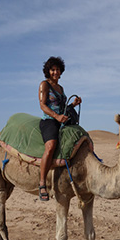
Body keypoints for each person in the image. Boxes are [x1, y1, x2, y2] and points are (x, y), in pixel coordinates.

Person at [38, 56, 82, 201]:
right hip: (49, 121)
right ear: (48, 71)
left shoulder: (61, 88)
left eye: (57, 69)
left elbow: (63, 108)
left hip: (62, 121)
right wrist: (56, 117)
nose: (55, 72)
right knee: (50, 147)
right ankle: (42, 183)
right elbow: (43, 105)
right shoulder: (44, 85)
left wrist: (74, 105)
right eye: (53, 69)